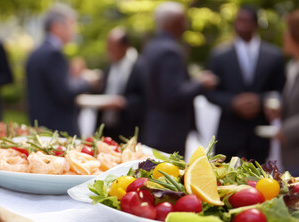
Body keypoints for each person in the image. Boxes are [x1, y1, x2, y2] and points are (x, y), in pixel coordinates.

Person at [207, 6, 285, 163]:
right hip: (229, 131)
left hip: (259, 134)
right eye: (239, 20)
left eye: (246, 21)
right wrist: (232, 102)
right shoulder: (219, 55)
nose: (242, 25)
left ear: (256, 24)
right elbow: (209, 92)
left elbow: (281, 89)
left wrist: (260, 100)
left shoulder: (274, 55)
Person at [142, 2, 217, 155]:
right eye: (183, 20)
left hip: (153, 128)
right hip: (169, 132)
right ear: (175, 22)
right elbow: (173, 95)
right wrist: (200, 83)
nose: (186, 25)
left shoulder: (151, 47)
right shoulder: (171, 51)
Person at [26, 4, 97, 135]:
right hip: (58, 130)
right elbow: (66, 92)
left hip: (41, 127)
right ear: (57, 26)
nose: (74, 30)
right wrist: (87, 81)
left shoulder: (36, 53)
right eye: (71, 25)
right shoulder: (54, 54)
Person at [97, 27, 146, 141]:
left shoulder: (139, 67)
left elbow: (145, 98)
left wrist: (124, 103)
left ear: (125, 47)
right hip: (107, 127)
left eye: (113, 47)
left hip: (128, 128)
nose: (109, 51)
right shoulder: (109, 67)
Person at [265, 10, 299, 175]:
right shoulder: (293, 65)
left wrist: (286, 131)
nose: (284, 35)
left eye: (287, 30)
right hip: (291, 156)